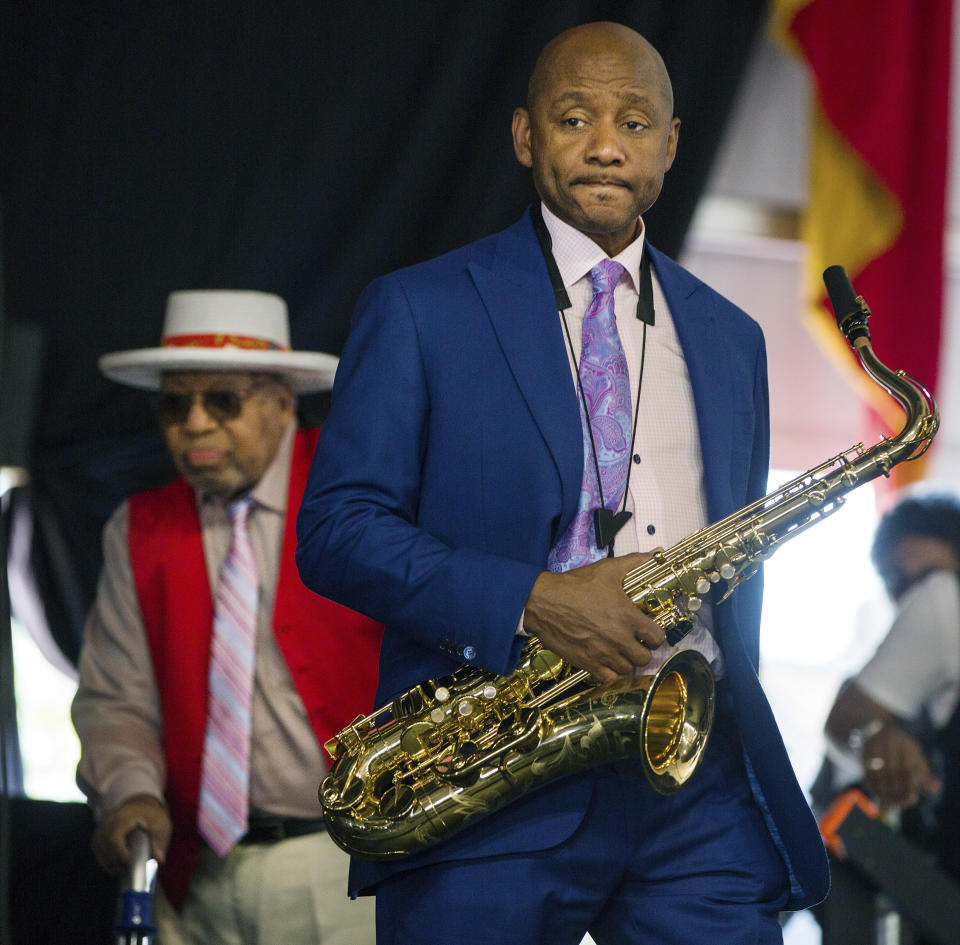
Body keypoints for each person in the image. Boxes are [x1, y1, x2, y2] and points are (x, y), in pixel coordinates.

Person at [295, 21, 829, 945]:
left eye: (633, 120)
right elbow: (337, 530)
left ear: (670, 145)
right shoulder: (419, 307)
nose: (606, 144)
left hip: (693, 784)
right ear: (525, 136)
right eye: (574, 116)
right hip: (494, 775)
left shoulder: (734, 337)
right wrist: (532, 599)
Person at [71, 289, 382, 945]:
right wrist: (129, 792)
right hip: (196, 868)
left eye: (224, 400)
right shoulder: (140, 527)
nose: (197, 423)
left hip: (350, 857)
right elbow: (115, 697)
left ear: (282, 402)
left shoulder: (358, 493)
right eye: (175, 404)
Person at [824, 491, 960, 884]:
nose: (911, 595)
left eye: (920, 577)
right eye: (896, 584)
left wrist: (872, 732)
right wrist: (878, 735)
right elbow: (853, 720)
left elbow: (846, 717)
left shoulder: (942, 596)